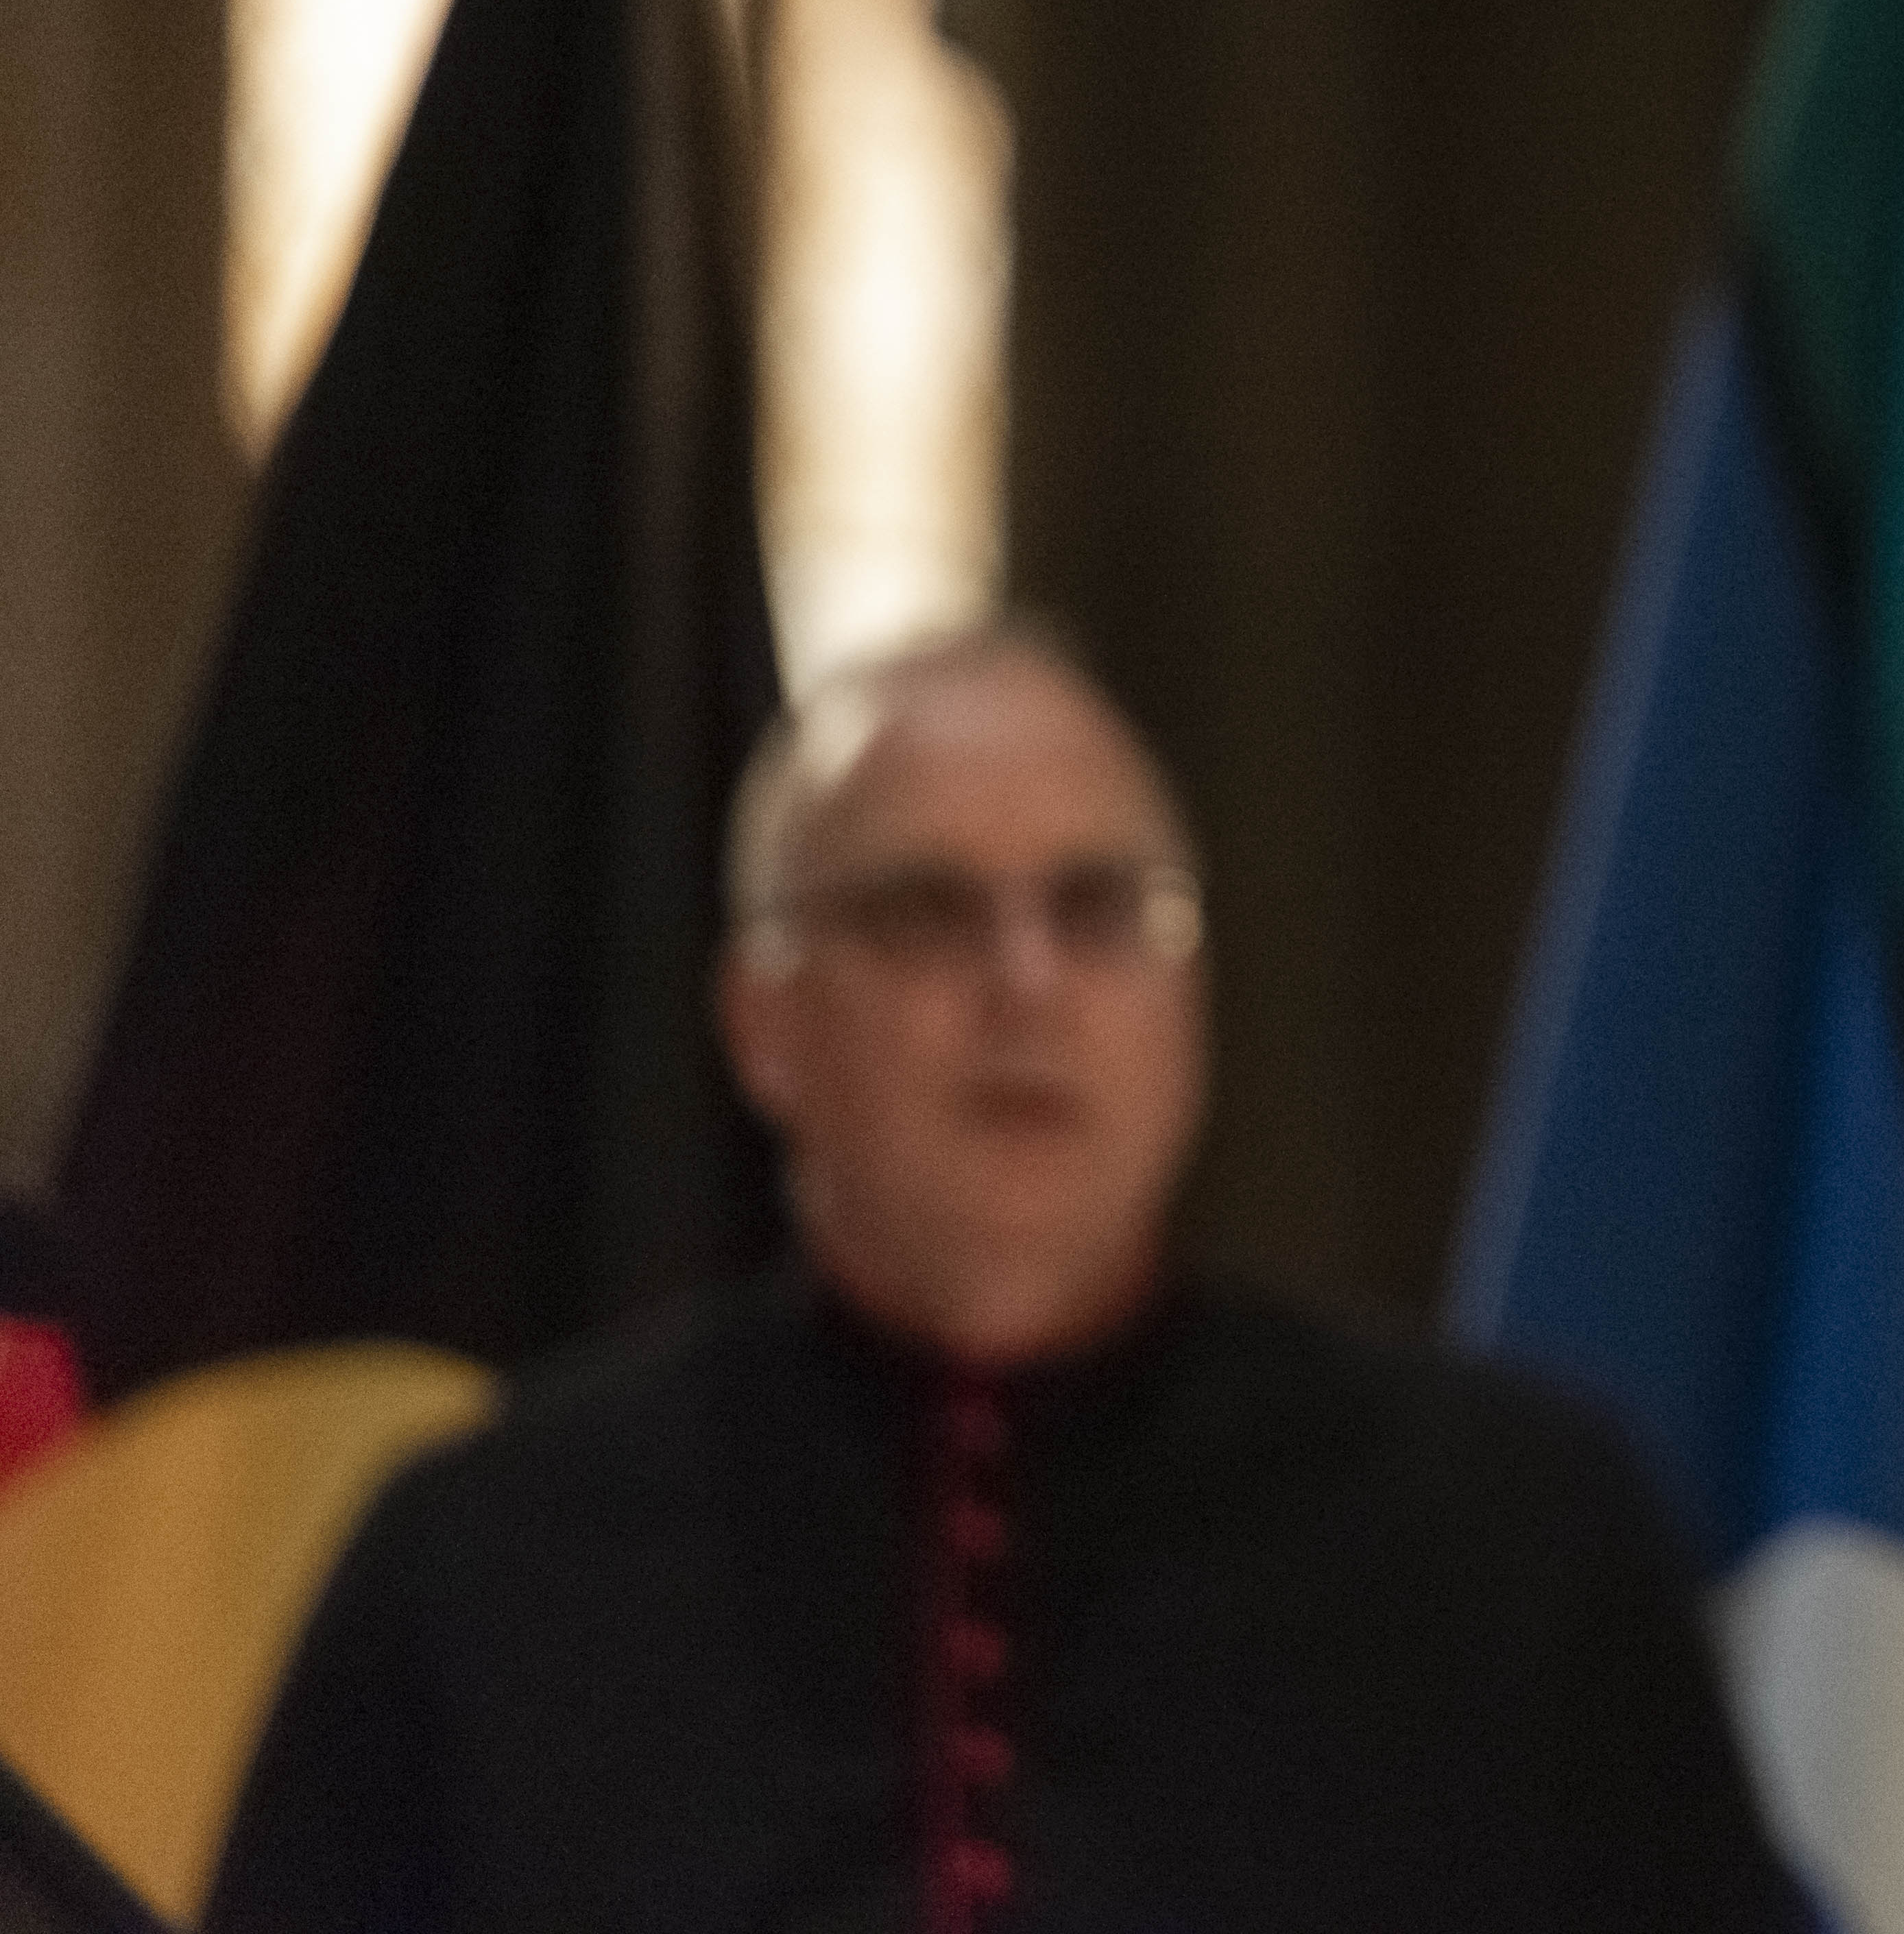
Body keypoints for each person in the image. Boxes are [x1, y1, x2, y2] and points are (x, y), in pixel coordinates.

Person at [207, 625, 1796, 1934]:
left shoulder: (1512, 1528)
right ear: (766, 1021)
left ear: (1191, 1009)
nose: (1024, 983)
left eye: (1101, 910)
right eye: (924, 910)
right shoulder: (484, 1558)